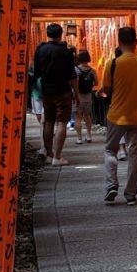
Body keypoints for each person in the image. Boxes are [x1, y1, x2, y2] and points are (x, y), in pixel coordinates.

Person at [101, 27, 137, 205]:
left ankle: (112, 185)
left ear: (118, 42)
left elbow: (107, 90)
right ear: (136, 41)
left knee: (110, 150)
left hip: (116, 115)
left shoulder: (113, 64)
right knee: (135, 155)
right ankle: (131, 195)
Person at [33, 23, 78, 166]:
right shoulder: (65, 51)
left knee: (48, 122)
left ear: (47, 34)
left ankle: (49, 154)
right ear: (61, 34)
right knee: (62, 123)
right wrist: (76, 93)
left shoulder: (40, 50)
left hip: (47, 91)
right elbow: (72, 75)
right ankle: (57, 157)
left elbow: (37, 72)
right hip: (63, 91)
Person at [73, 50, 97, 144]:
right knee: (87, 115)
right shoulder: (92, 70)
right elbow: (97, 83)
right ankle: (89, 135)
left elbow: (74, 83)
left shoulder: (76, 70)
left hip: (78, 96)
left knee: (78, 117)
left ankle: (79, 138)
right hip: (88, 96)